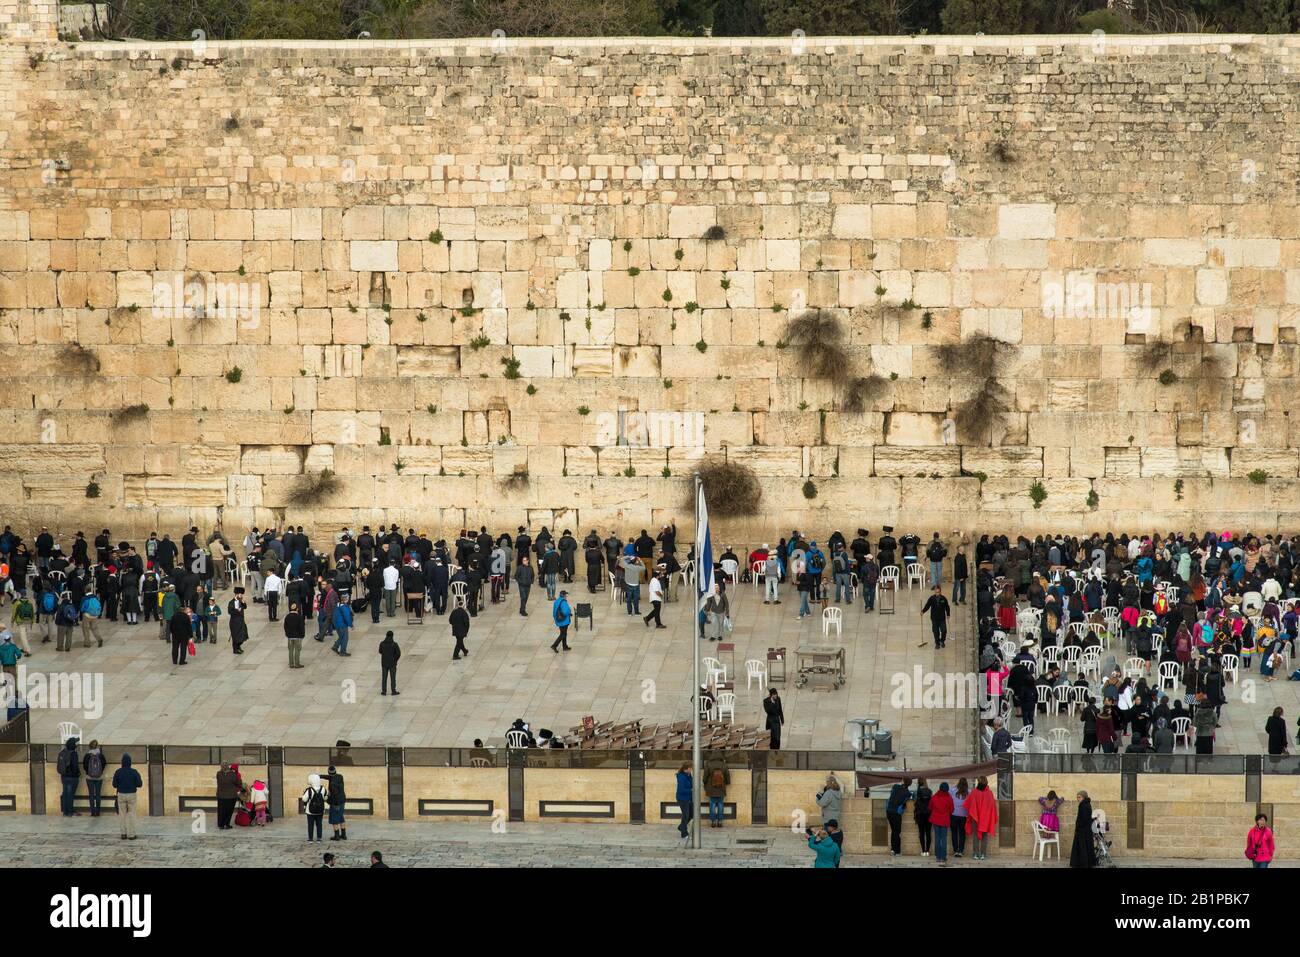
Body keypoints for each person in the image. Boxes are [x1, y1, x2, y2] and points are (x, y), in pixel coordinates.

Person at [965, 776, 998, 861]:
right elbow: (992, 807)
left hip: (975, 818)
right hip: (986, 819)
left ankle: (975, 854)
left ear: (978, 782)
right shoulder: (989, 793)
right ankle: (983, 854)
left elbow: (969, 804)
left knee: (976, 836)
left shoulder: (974, 792)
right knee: (984, 836)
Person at [112, 753, 142, 840]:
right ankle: (131, 834)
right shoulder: (134, 772)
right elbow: (139, 784)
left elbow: (114, 784)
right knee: (132, 814)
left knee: (122, 815)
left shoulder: (118, 772)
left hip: (121, 794)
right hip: (132, 794)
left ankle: (123, 833)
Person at [1069, 791, 1098, 868]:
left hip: (1082, 830)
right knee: (1085, 846)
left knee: (1082, 847)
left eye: (1079, 797)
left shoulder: (1083, 805)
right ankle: (1086, 863)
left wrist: (1078, 826)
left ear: (1084, 797)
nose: (1078, 799)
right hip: (1085, 830)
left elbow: (1084, 818)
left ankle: (1082, 863)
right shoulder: (1086, 804)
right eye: (1077, 797)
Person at [930, 781, 955, 866]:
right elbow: (952, 810)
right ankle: (943, 857)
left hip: (935, 820)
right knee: (943, 839)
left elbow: (930, 807)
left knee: (937, 838)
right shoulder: (949, 798)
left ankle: (938, 856)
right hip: (944, 820)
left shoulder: (934, 797)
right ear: (947, 789)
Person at [885, 777, 911, 856]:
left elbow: (892, 795)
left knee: (894, 832)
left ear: (903, 781)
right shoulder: (908, 793)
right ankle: (897, 851)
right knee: (897, 832)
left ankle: (893, 850)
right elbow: (905, 801)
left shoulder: (895, 786)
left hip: (889, 811)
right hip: (896, 813)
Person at [56, 737, 80, 817]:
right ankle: (70, 812)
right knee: (70, 795)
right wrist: (77, 773)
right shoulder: (73, 754)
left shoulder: (63, 752)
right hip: (72, 777)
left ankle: (65, 811)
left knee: (65, 794)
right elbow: (75, 766)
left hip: (64, 777)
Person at [704, 754, 729, 828]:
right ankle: (720, 822)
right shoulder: (724, 764)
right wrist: (727, 783)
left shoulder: (708, 764)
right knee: (721, 804)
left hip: (711, 788)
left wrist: (705, 782)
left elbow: (705, 776)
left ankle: (713, 822)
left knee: (712, 805)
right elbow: (727, 775)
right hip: (721, 788)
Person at [82, 739, 107, 817]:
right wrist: (100, 772)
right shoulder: (100, 755)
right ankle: (98, 812)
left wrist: (88, 772)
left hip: (89, 778)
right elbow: (104, 764)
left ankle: (93, 812)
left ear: (89, 746)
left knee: (91, 795)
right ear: (97, 746)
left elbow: (85, 766)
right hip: (99, 778)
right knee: (98, 795)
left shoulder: (87, 755)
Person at [324, 765, 347, 841]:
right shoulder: (340, 777)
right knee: (341, 817)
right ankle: (343, 835)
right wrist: (319, 776)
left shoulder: (332, 783)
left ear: (329, 773)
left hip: (335, 802)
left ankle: (336, 836)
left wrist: (336, 804)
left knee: (334, 819)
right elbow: (328, 777)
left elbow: (335, 794)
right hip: (342, 801)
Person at [215, 762, 240, 830]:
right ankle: (227, 824)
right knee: (229, 810)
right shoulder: (233, 774)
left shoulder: (218, 774)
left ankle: (221, 824)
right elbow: (238, 783)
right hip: (231, 796)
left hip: (221, 795)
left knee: (221, 810)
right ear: (228, 766)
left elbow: (218, 781)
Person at [303, 772, 326, 843]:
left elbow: (304, 799)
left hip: (310, 811)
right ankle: (319, 838)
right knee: (319, 824)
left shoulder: (309, 790)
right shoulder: (323, 789)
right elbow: (325, 798)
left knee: (310, 824)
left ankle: (310, 839)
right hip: (320, 810)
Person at [914, 777, 933, 855]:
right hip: (928, 814)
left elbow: (915, 803)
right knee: (928, 833)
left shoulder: (916, 792)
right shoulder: (929, 791)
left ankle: (923, 851)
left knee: (921, 833)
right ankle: (927, 851)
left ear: (918, 782)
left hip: (920, 814)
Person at [951, 778, 969, 858]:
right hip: (964, 816)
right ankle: (961, 851)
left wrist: (955, 786)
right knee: (962, 834)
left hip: (954, 814)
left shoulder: (953, 790)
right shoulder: (969, 792)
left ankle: (955, 850)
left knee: (954, 833)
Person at [675, 762, 693, 841]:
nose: (691, 769)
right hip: (682, 798)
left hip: (688, 798)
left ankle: (681, 826)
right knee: (685, 815)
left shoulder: (688, 775)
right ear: (686, 769)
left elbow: (691, 783)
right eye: (690, 768)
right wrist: (691, 790)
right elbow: (682, 790)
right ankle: (684, 833)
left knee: (691, 814)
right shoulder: (681, 777)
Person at [284, 602, 305, 669]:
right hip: (297, 636)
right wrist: (302, 635)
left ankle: (291, 664)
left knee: (290, 650)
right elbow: (301, 627)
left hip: (290, 637)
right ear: (297, 609)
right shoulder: (299, 617)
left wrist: (287, 634)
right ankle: (297, 664)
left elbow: (285, 626)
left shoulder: (287, 617)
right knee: (297, 650)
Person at [228, 587, 249, 654]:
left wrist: (243, 602)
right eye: (240, 594)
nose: (241, 596)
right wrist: (237, 611)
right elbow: (230, 612)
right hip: (234, 622)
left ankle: (238, 646)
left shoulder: (241, 601)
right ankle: (235, 649)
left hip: (241, 621)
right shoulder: (231, 602)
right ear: (236, 594)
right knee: (235, 636)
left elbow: (245, 607)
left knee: (243, 635)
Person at [379, 630, 401, 695]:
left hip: (384, 663)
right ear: (392, 636)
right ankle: (393, 691)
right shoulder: (394, 644)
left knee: (384, 678)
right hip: (392, 664)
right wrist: (395, 659)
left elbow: (380, 651)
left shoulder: (382, 643)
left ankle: (384, 691)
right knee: (393, 678)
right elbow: (398, 653)